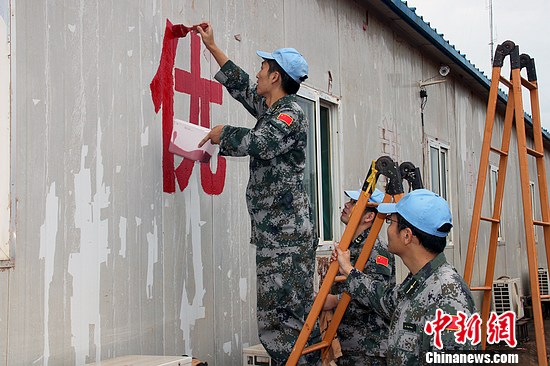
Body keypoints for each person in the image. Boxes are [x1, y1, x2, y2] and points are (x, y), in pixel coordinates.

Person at [196, 24, 319, 365]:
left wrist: (224, 133)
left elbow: (259, 143)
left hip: (286, 238)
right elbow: (241, 85)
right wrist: (212, 46)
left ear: (276, 77)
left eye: (264, 68)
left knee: (279, 323)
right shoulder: (273, 108)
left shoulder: (290, 114)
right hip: (279, 236)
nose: (258, 72)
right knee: (285, 318)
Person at [333, 189, 479, 365]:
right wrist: (348, 270)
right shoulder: (419, 283)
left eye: (390, 222)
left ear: (407, 235)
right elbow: (384, 299)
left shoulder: (449, 296)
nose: (387, 229)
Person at [323, 188, 395, 366]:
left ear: (369, 217)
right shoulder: (350, 247)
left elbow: (380, 297)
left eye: (354, 203)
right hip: (348, 344)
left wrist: (334, 300)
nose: (346, 205)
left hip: (368, 348)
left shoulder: (376, 250)